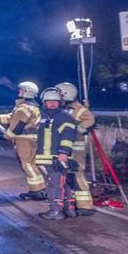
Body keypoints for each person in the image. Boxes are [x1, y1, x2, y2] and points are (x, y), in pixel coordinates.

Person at [0, 81, 45, 200]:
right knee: (31, 164)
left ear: (26, 92)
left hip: (25, 140)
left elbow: (17, 126)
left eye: (21, 90)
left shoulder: (24, 108)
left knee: (28, 165)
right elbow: (12, 117)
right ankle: (36, 189)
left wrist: (6, 135)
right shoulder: (30, 106)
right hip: (30, 139)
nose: (18, 92)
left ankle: (38, 191)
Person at [35, 87, 78, 220]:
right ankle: (69, 209)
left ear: (60, 102)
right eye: (49, 101)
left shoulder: (64, 117)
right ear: (44, 102)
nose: (52, 103)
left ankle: (56, 211)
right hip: (48, 158)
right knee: (62, 183)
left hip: (57, 157)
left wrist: (63, 153)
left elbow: (68, 136)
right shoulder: (43, 116)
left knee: (55, 185)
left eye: (56, 101)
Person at [56, 82, 97, 216]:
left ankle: (85, 206)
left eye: (59, 93)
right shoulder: (63, 109)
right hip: (64, 148)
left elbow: (89, 119)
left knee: (78, 174)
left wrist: (78, 129)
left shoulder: (78, 109)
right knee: (66, 176)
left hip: (76, 148)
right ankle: (70, 203)